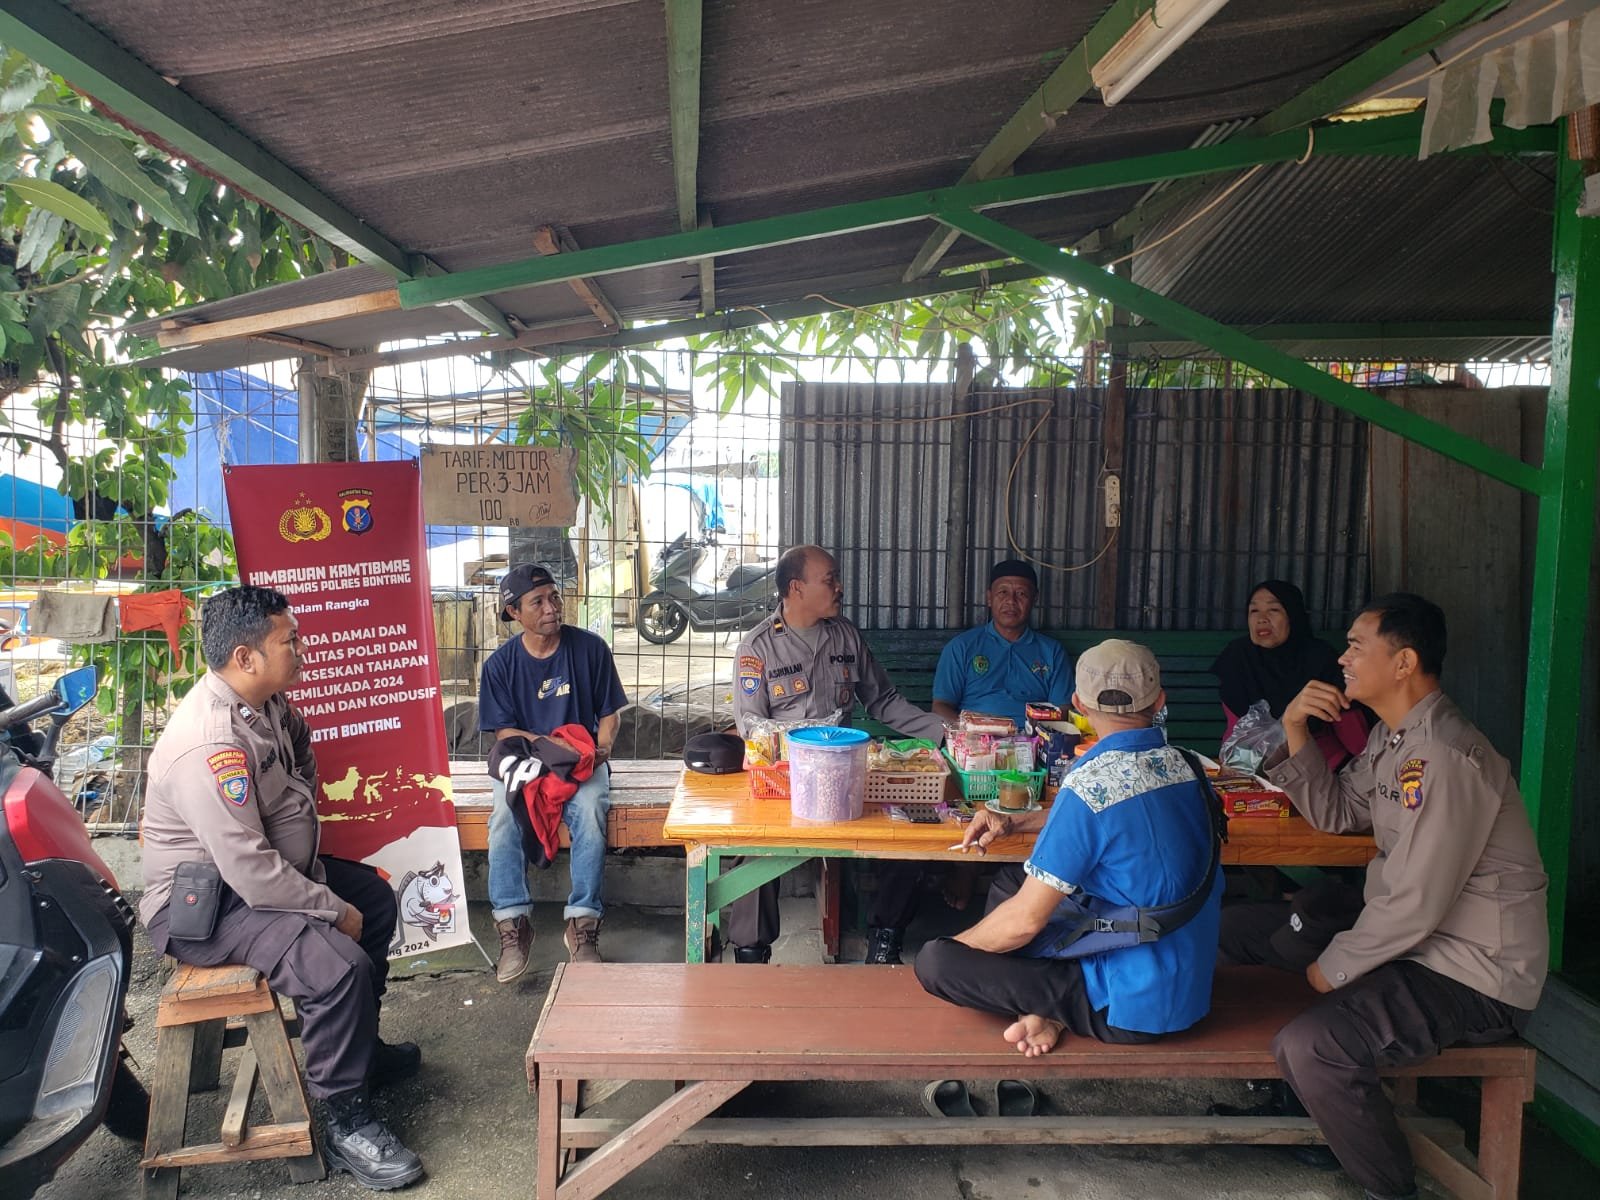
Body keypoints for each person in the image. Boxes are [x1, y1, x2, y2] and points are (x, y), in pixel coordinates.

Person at [1218, 593, 1548, 1200]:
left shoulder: (1446, 756)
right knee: (1238, 929)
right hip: (1415, 944)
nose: (1342, 658)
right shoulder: (1396, 740)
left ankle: (1388, 1187)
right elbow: (1338, 812)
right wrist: (1295, 728)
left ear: (1403, 663)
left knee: (1313, 1043)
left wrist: (1332, 967)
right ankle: (1309, 1113)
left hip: (1472, 972)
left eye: (1355, 645)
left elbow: (1417, 903)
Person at [140, 586, 423, 1190]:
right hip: (203, 905)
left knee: (375, 900)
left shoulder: (266, 702)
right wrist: (327, 907)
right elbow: (247, 872)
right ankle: (346, 1121)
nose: (301, 650)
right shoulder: (209, 742)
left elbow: (300, 747)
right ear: (245, 657)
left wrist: (305, 833)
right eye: (288, 641)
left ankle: (360, 1050)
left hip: (263, 879)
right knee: (336, 964)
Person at [915, 638, 1222, 1056]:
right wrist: (1020, 820)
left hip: (1125, 1008)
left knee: (936, 962)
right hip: (1189, 988)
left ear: (1077, 703)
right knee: (1013, 881)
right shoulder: (1189, 767)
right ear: (1160, 700)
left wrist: (962, 948)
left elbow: (1024, 922)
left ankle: (1050, 1009)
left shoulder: (1088, 786)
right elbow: (1119, 818)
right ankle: (1045, 1011)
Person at [729, 544, 946, 965]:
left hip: (847, 775)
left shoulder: (844, 635)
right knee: (752, 846)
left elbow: (882, 700)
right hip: (783, 781)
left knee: (910, 823)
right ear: (797, 588)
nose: (839, 587)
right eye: (829, 580)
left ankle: (885, 938)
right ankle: (750, 955)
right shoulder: (758, 649)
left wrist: (943, 733)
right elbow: (753, 731)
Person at [480, 564, 627, 978]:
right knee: (504, 818)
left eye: (555, 597)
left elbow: (609, 714)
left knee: (592, 807)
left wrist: (601, 748)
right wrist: (549, 747)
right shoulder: (499, 666)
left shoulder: (590, 649)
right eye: (538, 602)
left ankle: (583, 923)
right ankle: (512, 924)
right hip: (527, 760)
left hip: (582, 764)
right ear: (514, 613)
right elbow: (503, 731)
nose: (552, 608)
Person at [1210, 579, 1367, 770]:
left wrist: (1368, 769)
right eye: (1254, 611)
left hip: (1319, 765)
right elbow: (1240, 729)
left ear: (1293, 615)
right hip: (1252, 764)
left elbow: (1351, 726)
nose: (1262, 618)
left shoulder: (1320, 658)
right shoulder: (1238, 658)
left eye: (1273, 610)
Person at [931, 558, 1072, 728]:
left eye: (1021, 594)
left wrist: (1036, 735)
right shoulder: (962, 647)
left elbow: (1063, 709)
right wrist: (971, 733)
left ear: (1035, 599)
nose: (1011, 601)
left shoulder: (1052, 652)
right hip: (974, 742)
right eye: (1002, 592)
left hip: (1031, 743)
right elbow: (940, 707)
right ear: (989, 598)